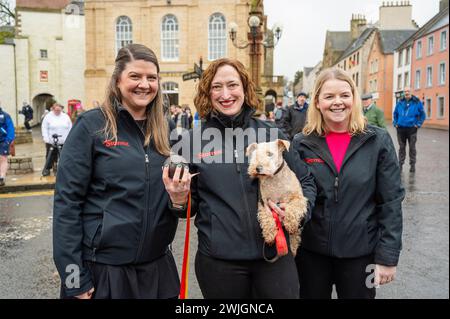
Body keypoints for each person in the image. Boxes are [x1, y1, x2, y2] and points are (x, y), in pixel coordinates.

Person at [53, 44, 191, 299]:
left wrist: (180, 201)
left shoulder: (167, 128)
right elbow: (67, 204)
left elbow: (179, 204)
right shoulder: (91, 126)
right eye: (135, 76)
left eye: (152, 78)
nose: (144, 84)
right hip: (104, 271)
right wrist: (74, 280)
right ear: (117, 80)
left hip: (158, 270)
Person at [183, 58, 316, 299]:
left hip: (274, 255)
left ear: (244, 88)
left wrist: (299, 213)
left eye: (233, 85)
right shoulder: (191, 142)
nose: (226, 94)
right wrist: (176, 198)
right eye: (216, 87)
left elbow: (306, 181)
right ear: (207, 92)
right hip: (219, 262)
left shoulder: (271, 133)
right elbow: (186, 208)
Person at [291, 68, 404, 299]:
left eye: (344, 95)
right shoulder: (302, 143)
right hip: (311, 254)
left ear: (354, 98)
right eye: (329, 97)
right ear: (317, 102)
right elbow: (294, 195)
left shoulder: (377, 140)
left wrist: (388, 257)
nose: (337, 102)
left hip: (361, 254)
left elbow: (391, 201)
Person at [393, 87, 426, 172]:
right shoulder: (400, 102)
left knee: (412, 148)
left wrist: (418, 125)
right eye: (405, 91)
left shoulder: (417, 102)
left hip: (412, 129)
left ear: (411, 92)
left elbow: (423, 115)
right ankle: (400, 165)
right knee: (401, 148)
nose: (406, 93)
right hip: (400, 130)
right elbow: (395, 113)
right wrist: (395, 123)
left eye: (408, 91)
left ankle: (412, 165)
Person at [41, 102, 73, 176]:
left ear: (61, 109)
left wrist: (70, 138)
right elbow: (44, 128)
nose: (58, 111)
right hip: (51, 141)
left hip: (64, 141)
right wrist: (45, 138)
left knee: (64, 156)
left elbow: (70, 127)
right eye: (56, 110)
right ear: (53, 109)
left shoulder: (65, 116)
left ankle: (64, 169)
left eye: (59, 110)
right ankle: (47, 169)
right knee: (50, 155)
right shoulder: (48, 117)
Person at [0, 103, 15, 187]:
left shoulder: (5, 116)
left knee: (3, 158)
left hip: (3, 141)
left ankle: (2, 177)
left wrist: (8, 140)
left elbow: (10, 128)